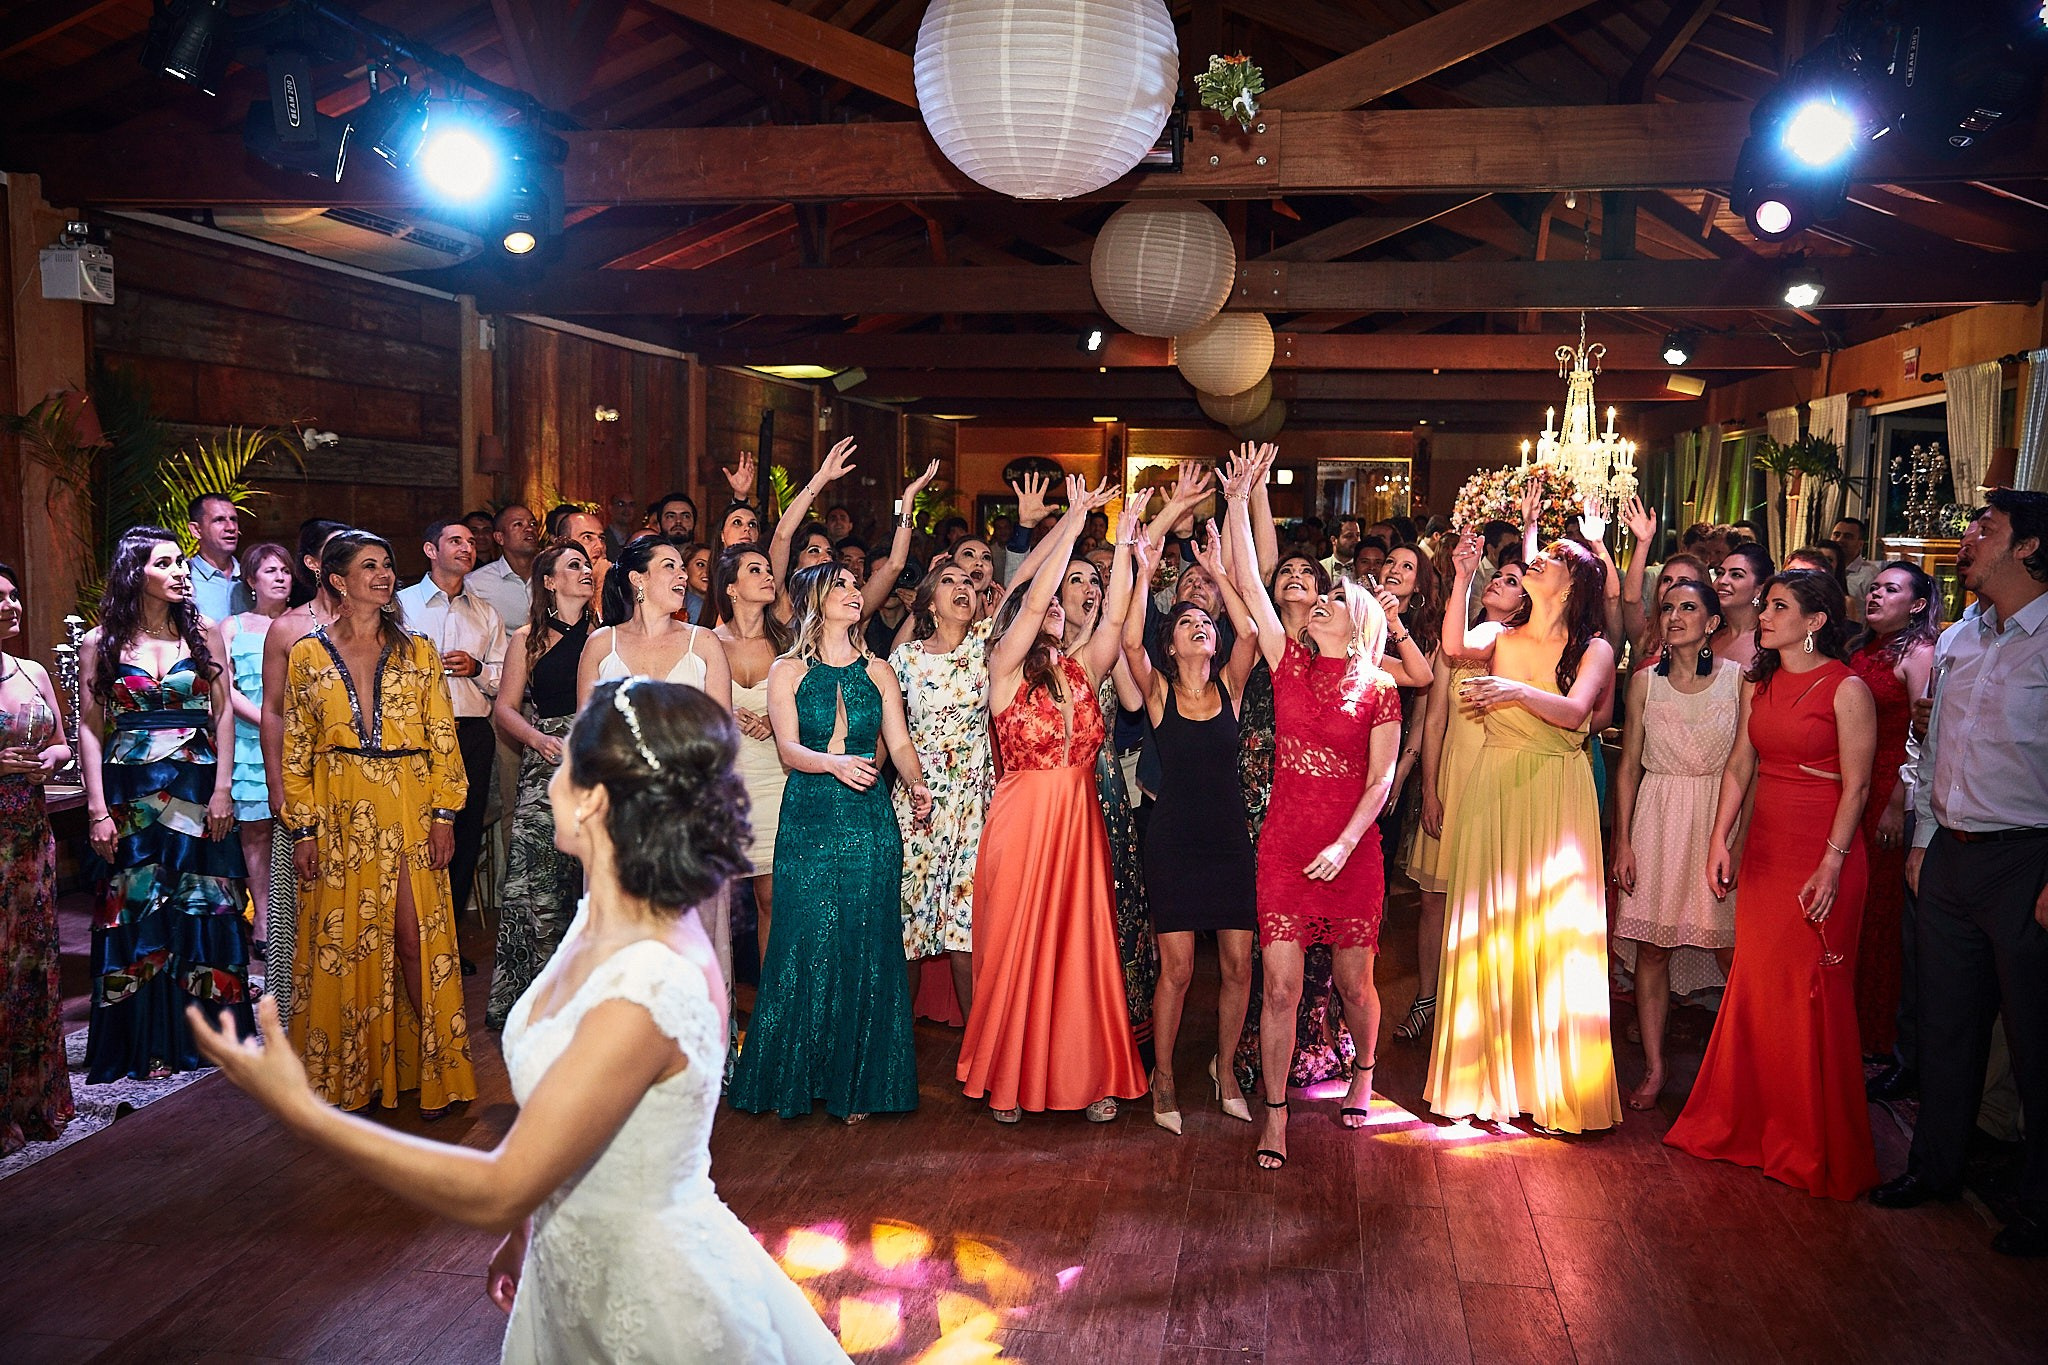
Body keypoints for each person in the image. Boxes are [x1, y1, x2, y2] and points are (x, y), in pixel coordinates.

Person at [193, 679, 851, 1363]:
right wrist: (535, 1230)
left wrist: (304, 1111)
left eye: (564, 763)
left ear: (595, 798)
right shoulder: (602, 911)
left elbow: (501, 1185)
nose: (549, 778)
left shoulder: (650, 982)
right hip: (568, 1265)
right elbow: (581, 1121)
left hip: (649, 1304)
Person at [1874, 492, 2048, 1257]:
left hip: (2027, 857)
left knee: (2038, 1040)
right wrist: (1925, 839)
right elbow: (1935, 740)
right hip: (1949, 854)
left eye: (1987, 529)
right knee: (1945, 1026)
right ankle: (1934, 1170)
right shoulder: (1958, 637)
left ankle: (2040, 1207)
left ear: (2031, 548)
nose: (1968, 537)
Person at [1667, 570, 1878, 1198]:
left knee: (1810, 991)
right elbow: (1740, 763)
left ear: (1815, 621)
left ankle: (1810, 1143)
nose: (1764, 614)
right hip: (1765, 849)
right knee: (1758, 986)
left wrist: (1833, 862)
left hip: (1824, 849)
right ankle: (1752, 1127)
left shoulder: (1846, 689)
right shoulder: (1759, 684)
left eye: (1778, 606)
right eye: (1766, 605)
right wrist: (1718, 838)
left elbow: (1860, 786)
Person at [1221, 455, 1402, 1168]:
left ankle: (1363, 1072)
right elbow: (1252, 587)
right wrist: (1239, 501)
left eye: (1330, 600)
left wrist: (1348, 842)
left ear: (1355, 620)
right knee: (1282, 987)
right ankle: (1275, 1114)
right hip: (1287, 845)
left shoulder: (1379, 686)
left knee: (1357, 983)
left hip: (1352, 852)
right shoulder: (1286, 663)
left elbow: (1382, 779)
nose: (1315, 603)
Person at [958, 475, 1145, 1123]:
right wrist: (1071, 522)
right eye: (1048, 608)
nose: (1059, 610)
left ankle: (1087, 1074)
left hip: (1078, 824)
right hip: (1022, 821)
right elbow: (1035, 603)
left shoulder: (1083, 669)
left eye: (1065, 608)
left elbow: (1116, 618)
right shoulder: (1003, 668)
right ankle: (1011, 1075)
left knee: (1082, 948)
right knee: (1017, 946)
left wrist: (1120, 545)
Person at [1426, 528, 1620, 1135]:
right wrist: (1461, 576)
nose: (1537, 560)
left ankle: (1555, 1084)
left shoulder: (1594, 649)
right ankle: (1482, 1078)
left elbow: (1575, 713)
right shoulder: (1500, 635)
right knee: (1491, 920)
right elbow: (1456, 643)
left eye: (1554, 558)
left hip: (1558, 791)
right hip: (1496, 783)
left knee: (1551, 931)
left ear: (1573, 583)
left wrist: (1512, 689)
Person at [282, 531, 477, 1115]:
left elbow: (444, 737)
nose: (385, 573)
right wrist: (305, 828)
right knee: (347, 945)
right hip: (340, 811)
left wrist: (445, 813)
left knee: (415, 939)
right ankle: (354, 1075)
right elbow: (297, 746)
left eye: (388, 563)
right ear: (338, 582)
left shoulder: (419, 651)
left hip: (411, 807)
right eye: (370, 565)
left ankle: (439, 1070)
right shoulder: (307, 656)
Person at [729, 565, 929, 1122]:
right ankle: (797, 1074)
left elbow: (900, 742)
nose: (853, 591)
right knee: (803, 938)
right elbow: (789, 751)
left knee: (865, 942)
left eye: (854, 584)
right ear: (815, 598)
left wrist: (915, 785)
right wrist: (836, 764)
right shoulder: (786, 670)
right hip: (810, 817)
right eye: (840, 584)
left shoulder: (881, 671)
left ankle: (859, 1081)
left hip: (868, 820)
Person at [79, 528, 252, 1082]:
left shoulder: (202, 636)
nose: (181, 572)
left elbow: (223, 714)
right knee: (134, 908)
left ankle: (209, 1038)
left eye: (182, 562)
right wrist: (96, 809)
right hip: (129, 795)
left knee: (204, 901)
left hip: (196, 788)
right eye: (167, 562)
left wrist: (224, 788)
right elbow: (89, 726)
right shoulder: (100, 642)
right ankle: (141, 1041)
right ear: (137, 572)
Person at [1122, 519, 1259, 1135]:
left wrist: (1220, 573)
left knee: (1237, 965)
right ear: (1171, 645)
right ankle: (1166, 1077)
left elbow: (1250, 629)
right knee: (1176, 970)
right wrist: (1146, 569)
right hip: (1174, 841)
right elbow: (1129, 644)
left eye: (1203, 623)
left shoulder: (1231, 686)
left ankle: (1224, 1069)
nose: (1199, 626)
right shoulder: (1157, 695)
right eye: (1185, 624)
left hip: (1230, 841)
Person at [1609, 579, 1743, 1109]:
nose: (1674, 616)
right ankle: (1656, 1066)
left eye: (1689, 608)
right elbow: (1628, 769)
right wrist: (1622, 842)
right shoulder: (1644, 683)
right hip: (1658, 816)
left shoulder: (1739, 681)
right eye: (1668, 608)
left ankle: (1736, 1071)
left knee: (1729, 947)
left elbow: (1744, 766)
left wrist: (1738, 836)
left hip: (1716, 819)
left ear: (1712, 622)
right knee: (1652, 948)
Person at [1395, 555, 1528, 1046]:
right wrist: (1429, 789)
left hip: (1497, 784)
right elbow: (1433, 722)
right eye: (1499, 575)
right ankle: (1427, 998)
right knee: (1434, 900)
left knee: (1485, 903)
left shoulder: (1522, 651)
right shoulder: (1457, 642)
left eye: (1513, 581)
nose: (1499, 582)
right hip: (1453, 775)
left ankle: (1475, 1010)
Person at [487, 544, 597, 1031]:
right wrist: (537, 737)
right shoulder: (527, 638)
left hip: (600, 763)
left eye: (588, 564)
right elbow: (504, 708)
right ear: (549, 582)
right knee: (537, 879)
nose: (586, 571)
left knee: (593, 881)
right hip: (548, 762)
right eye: (574, 565)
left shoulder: (608, 634)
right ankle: (535, 998)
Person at [397, 520, 508, 963]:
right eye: (455, 540)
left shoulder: (485, 613)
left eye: (470, 541)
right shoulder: (400, 606)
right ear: (430, 549)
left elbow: (505, 682)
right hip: (415, 736)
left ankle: (446, 942)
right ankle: (406, 942)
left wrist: (478, 669)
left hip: (470, 732)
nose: (468, 547)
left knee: (461, 839)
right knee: (413, 836)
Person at [891, 557, 995, 1016]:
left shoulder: (987, 644)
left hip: (973, 802)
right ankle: (894, 1052)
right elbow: (887, 734)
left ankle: (979, 1054)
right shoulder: (906, 659)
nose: (963, 587)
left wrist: (1066, 524)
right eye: (949, 581)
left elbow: (1029, 591)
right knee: (905, 928)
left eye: (970, 581)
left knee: (965, 929)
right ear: (930, 601)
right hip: (919, 802)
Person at [260, 518, 352, 1022]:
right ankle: (301, 1014)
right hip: (305, 779)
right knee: (303, 897)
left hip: (364, 784)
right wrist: (278, 785)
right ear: (315, 565)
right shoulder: (289, 629)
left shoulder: (385, 627)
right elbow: (273, 710)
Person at [1845, 563, 1937, 1060]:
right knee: (1856, 909)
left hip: (1889, 791)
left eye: (1891, 589)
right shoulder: (1863, 650)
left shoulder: (1919, 653)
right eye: (1875, 587)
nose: (1876, 594)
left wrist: (1898, 805)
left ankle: (1879, 1039)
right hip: (1854, 787)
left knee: (1883, 916)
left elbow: (1922, 735)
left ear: (1917, 604)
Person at [0, 562, 76, 1155]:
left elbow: (60, 741)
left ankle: (33, 1097)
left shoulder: (32, 671)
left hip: (29, 831)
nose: (10, 606)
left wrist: (52, 759)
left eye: (14, 595)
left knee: (30, 960)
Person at [712, 546, 791, 966]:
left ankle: (770, 1014)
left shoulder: (788, 642)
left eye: (768, 569)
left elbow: (812, 708)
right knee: (714, 907)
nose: (767, 575)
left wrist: (777, 722)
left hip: (776, 778)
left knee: (772, 901)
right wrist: (722, 710)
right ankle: (715, 1011)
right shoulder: (706, 642)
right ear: (732, 588)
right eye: (754, 570)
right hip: (724, 783)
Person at [221, 542, 294, 959]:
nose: (280, 577)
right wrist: (267, 721)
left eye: (285, 570)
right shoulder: (232, 627)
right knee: (257, 831)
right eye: (270, 571)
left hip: (300, 741)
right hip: (250, 741)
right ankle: (263, 919)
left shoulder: (305, 622)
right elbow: (225, 689)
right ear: (252, 580)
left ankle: (296, 917)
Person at [469, 504, 541, 633]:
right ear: (499, 538)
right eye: (518, 524)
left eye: (533, 524)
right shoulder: (476, 583)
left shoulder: (552, 575)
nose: (529, 529)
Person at [185, 493, 251, 624]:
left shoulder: (253, 576)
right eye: (219, 520)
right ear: (196, 530)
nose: (231, 528)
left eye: (233, 519)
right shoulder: (183, 580)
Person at [1709, 543, 1773, 672]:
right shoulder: (1708, 636)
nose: (1722, 581)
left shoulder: (1769, 642)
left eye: (1736, 575)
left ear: (1760, 589)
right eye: (1720, 573)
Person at [1833, 516, 1879, 621]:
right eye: (1836, 535)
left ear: (1860, 544)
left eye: (1848, 536)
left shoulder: (1870, 575)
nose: (1840, 540)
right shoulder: (1823, 570)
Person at [603, 492, 646, 559]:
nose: (627, 509)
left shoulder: (638, 539)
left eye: (631, 505)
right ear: (610, 509)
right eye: (621, 504)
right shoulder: (603, 539)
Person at [1322, 515, 1363, 583]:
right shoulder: (1320, 567)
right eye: (1349, 536)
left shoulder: (1364, 568)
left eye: (1358, 535)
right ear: (1333, 540)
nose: (1357, 540)